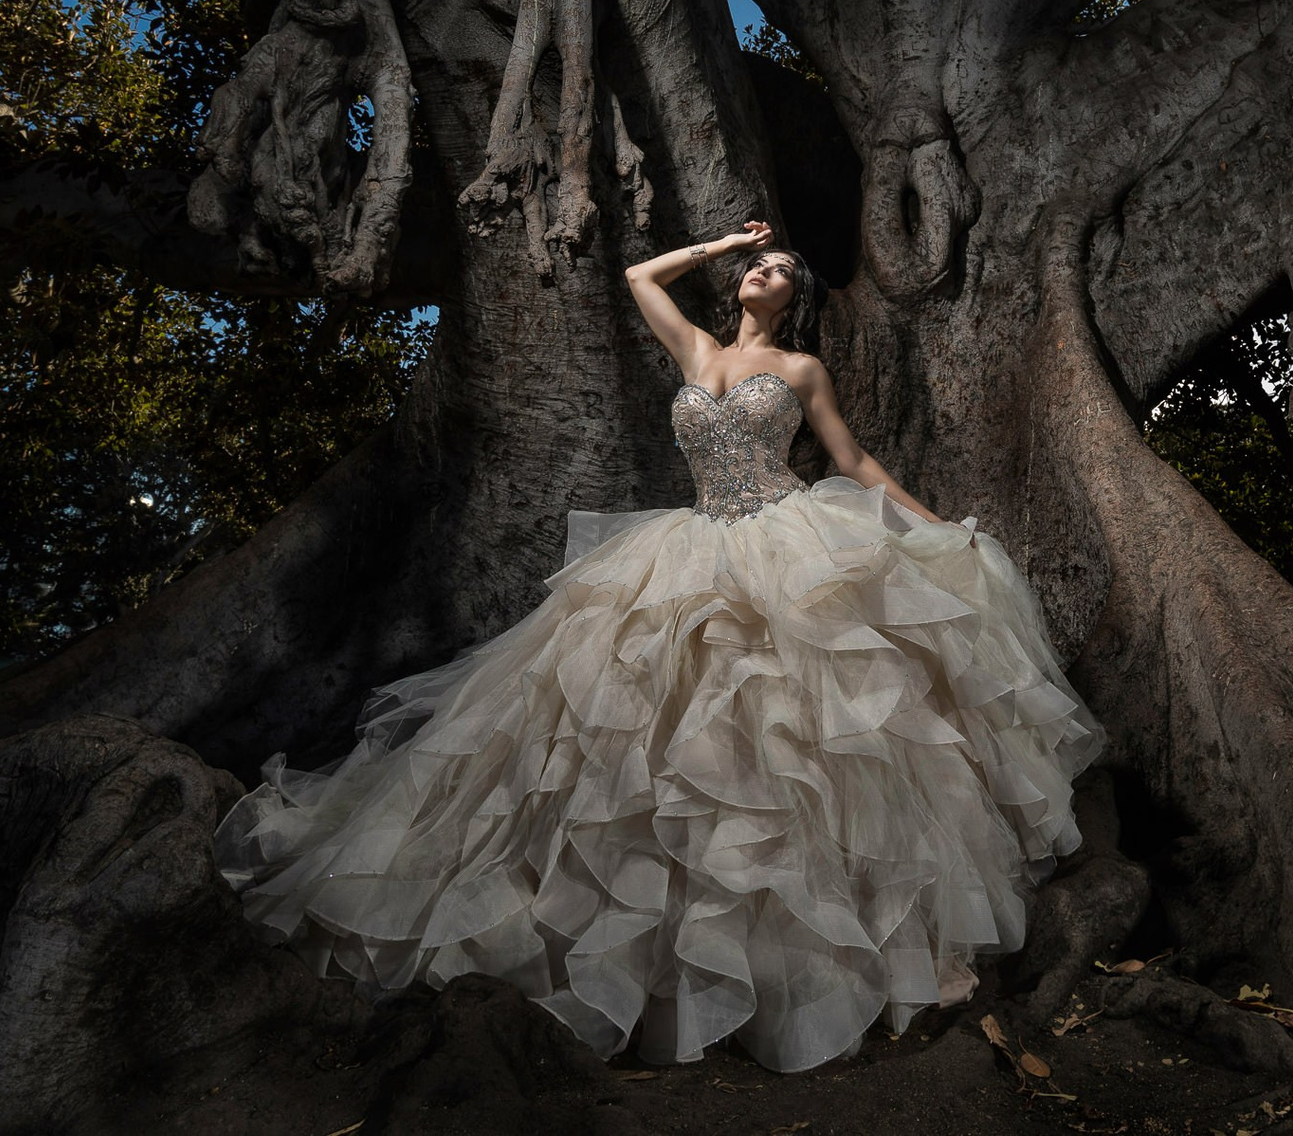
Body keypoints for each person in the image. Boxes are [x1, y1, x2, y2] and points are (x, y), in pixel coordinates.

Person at [215, 221, 1106, 1073]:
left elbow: (852, 462)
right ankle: (665, 958)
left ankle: (799, 961)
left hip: (787, 543)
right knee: (654, 738)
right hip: (690, 546)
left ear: (794, 299)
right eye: (761, 266)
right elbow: (640, 276)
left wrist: (933, 524)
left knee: (792, 741)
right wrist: (723, 243)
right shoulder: (697, 352)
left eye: (784, 270)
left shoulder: (799, 366)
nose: (768, 273)